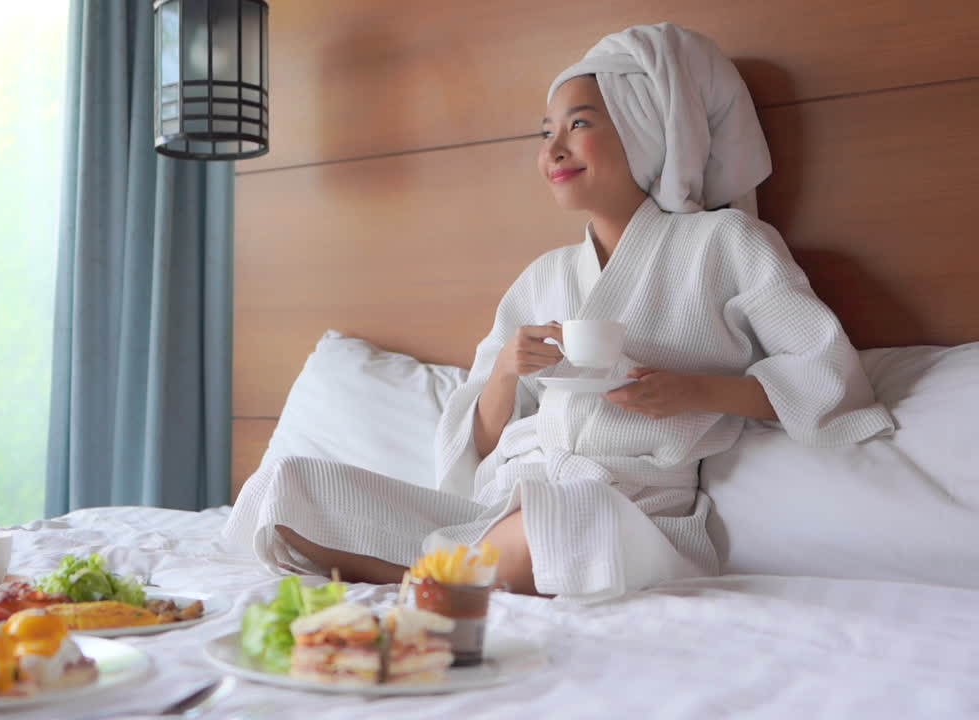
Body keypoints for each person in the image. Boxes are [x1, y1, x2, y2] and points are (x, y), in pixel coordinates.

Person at [222, 23, 894, 602]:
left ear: (643, 127)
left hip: (628, 512)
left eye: (579, 124)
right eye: (546, 132)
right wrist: (508, 373)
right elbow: (477, 445)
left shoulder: (725, 245)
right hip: (502, 504)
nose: (553, 150)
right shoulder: (543, 276)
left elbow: (828, 376)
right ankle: (434, 579)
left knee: (558, 524)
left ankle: (412, 584)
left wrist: (697, 391)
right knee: (289, 487)